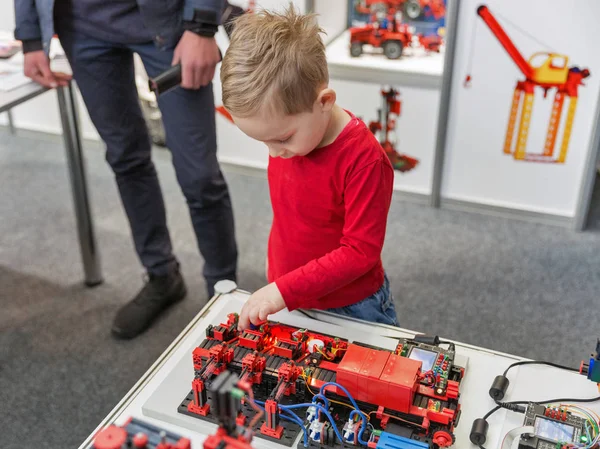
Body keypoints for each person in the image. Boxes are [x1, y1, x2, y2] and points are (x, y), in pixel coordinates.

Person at [14, 0, 238, 339]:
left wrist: (202, 24)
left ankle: (224, 294)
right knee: (125, 158)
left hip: (167, 18)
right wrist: (30, 37)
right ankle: (162, 275)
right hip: (82, 25)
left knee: (200, 176)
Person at [220, 7, 399, 330]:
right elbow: (292, 212)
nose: (275, 152)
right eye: (264, 143)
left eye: (282, 138)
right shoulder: (289, 141)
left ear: (324, 102)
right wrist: (277, 267)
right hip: (291, 292)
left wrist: (282, 289)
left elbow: (360, 252)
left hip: (351, 306)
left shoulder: (365, 160)